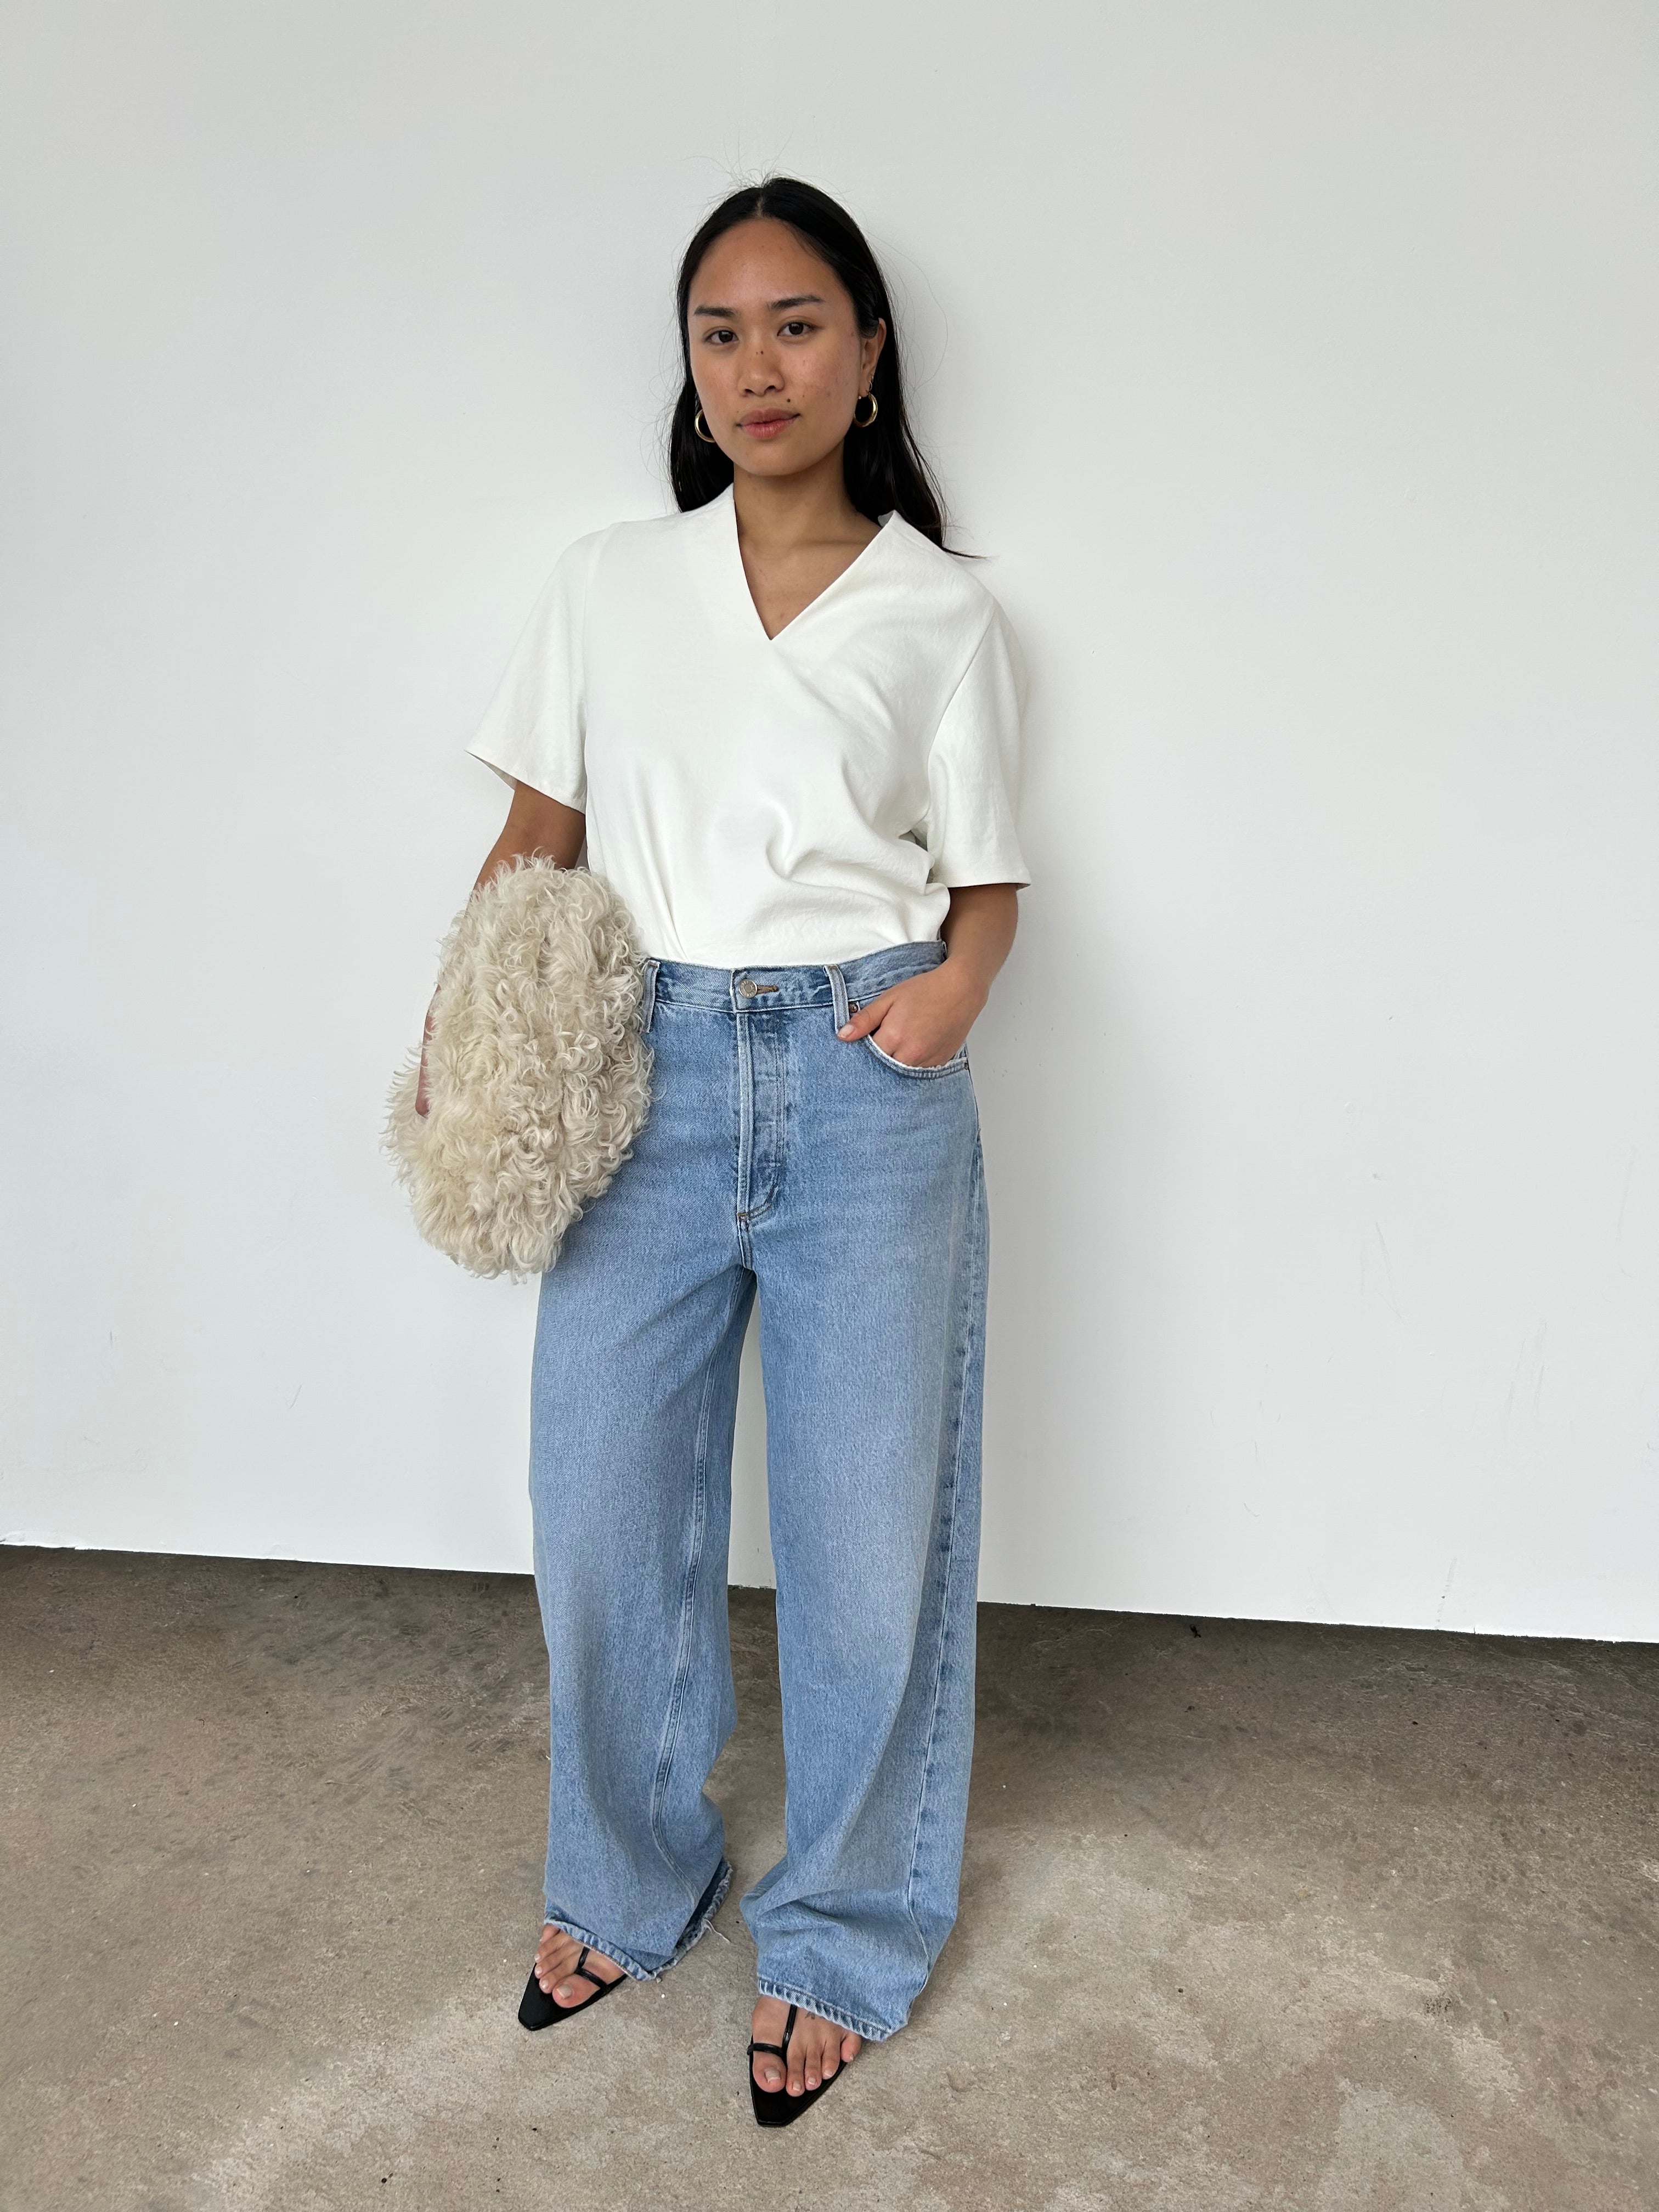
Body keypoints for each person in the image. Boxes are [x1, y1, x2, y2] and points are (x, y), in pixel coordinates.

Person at [420, 176, 1031, 2125]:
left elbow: (989, 889)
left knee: (867, 1542)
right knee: (603, 1505)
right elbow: (538, 842)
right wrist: (458, 1038)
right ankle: (627, 1875)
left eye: (796, 324)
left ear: (867, 353)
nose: (757, 366)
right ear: (689, 367)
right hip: (647, 1064)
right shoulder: (612, 579)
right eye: (720, 331)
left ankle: (842, 1932)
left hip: (868, 1079)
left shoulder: (941, 611)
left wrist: (951, 996)